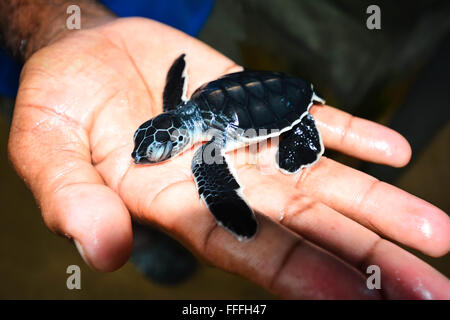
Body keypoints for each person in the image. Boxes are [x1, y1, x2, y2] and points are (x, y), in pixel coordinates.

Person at [1, 0, 449, 299]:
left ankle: (303, 127)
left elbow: (187, 107)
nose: (149, 153)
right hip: (238, 73)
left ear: (174, 127)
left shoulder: (204, 145)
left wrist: (229, 209)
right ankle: (150, 238)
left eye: (157, 147)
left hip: (284, 96)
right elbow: (174, 85)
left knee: (249, 167)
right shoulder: (185, 109)